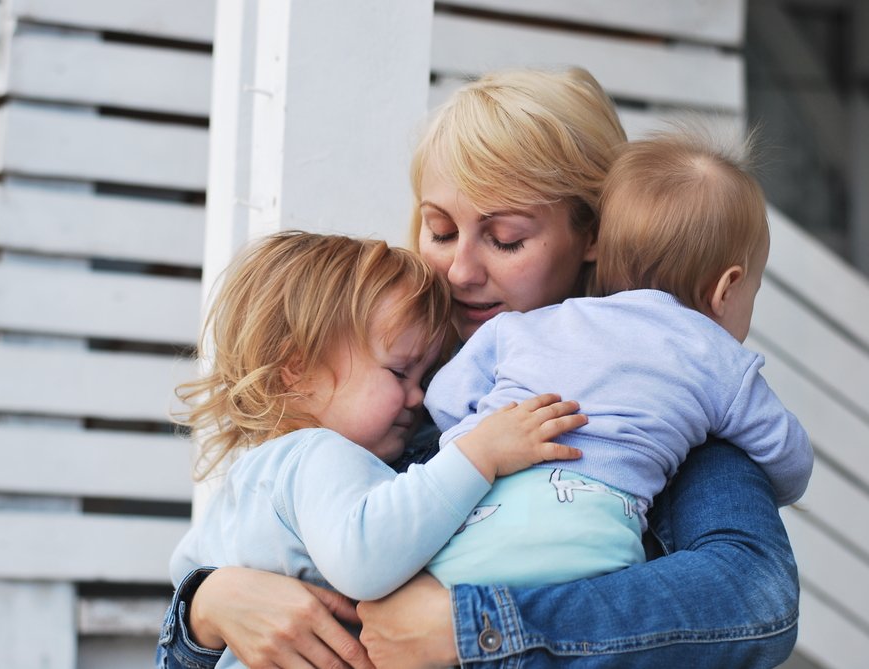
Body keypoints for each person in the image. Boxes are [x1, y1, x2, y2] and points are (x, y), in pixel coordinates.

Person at [157, 68, 802, 668]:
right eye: (440, 232)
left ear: (594, 236)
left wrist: (477, 629)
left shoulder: (658, 399)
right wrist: (210, 607)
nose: (461, 272)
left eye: (506, 239)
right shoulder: (386, 391)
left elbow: (756, 597)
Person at [163, 231, 586, 668]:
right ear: (297, 369)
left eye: (424, 377)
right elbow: (366, 558)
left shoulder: (250, 478)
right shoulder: (321, 453)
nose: (418, 397)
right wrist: (481, 454)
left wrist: (208, 599)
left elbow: (186, 575)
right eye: (400, 371)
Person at [423, 131, 814, 589]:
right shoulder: (719, 360)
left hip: (464, 529)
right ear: (726, 289)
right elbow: (789, 456)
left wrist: (482, 438)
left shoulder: (525, 325)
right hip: (592, 551)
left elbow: (445, 397)